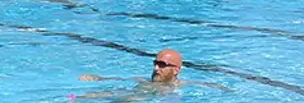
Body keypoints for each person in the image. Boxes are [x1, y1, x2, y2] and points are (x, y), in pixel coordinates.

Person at [76, 49, 230, 100]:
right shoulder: (143, 81)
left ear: (176, 70)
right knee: (93, 95)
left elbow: (205, 86)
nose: (156, 68)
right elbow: (122, 79)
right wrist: (98, 78)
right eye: (155, 63)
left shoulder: (179, 87)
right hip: (129, 97)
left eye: (162, 65)